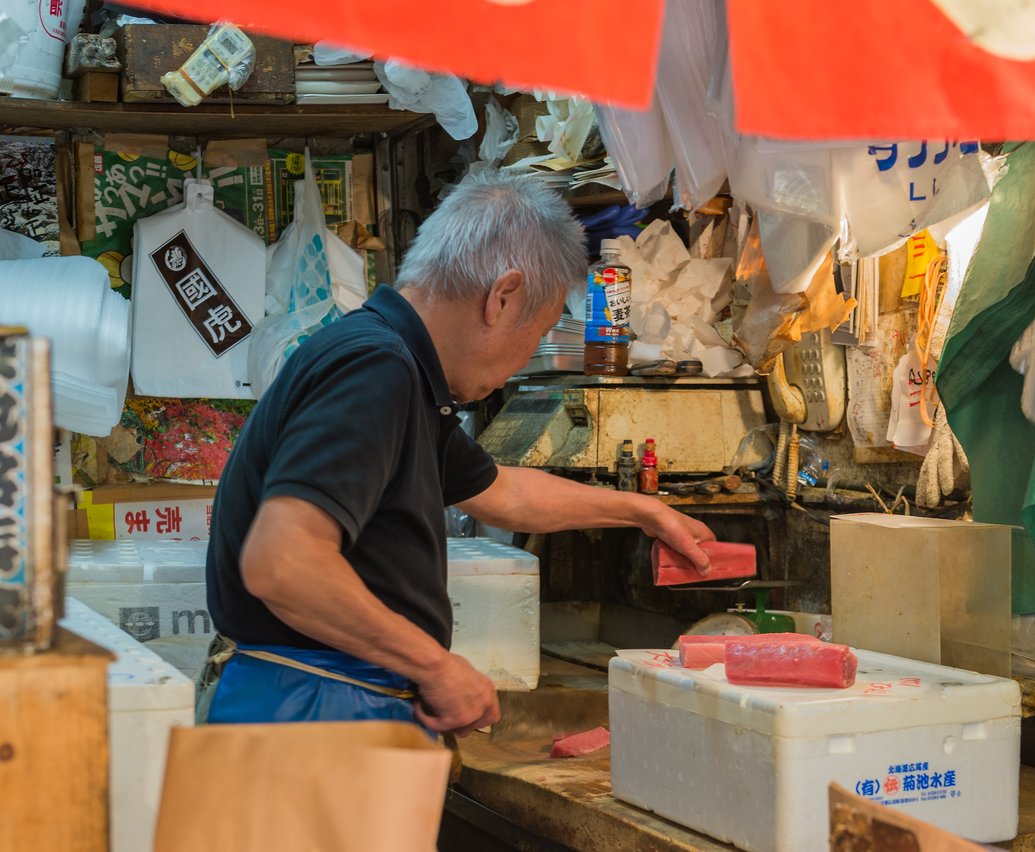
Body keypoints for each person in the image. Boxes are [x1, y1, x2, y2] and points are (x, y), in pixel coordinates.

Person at [198, 170, 714, 735]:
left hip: (334, 702)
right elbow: (284, 562)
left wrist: (646, 513)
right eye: (535, 334)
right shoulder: (377, 369)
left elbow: (505, 493)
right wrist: (434, 666)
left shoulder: (408, 374)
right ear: (502, 296)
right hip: (309, 709)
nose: (522, 360)